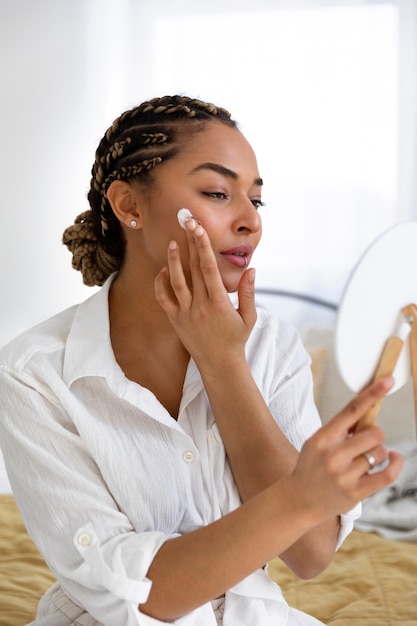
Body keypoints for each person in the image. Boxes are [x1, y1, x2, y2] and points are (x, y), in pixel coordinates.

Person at [0, 95, 403, 626]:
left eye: (256, 202)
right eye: (217, 192)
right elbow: (142, 598)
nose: (248, 223)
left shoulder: (272, 347)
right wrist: (300, 496)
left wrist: (225, 364)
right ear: (129, 206)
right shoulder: (34, 374)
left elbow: (310, 555)